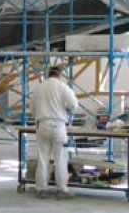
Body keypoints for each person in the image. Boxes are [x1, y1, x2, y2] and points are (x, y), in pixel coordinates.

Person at [30, 66, 78, 200]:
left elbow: (32, 110)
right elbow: (74, 105)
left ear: (48, 74)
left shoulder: (39, 88)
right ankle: (62, 189)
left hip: (42, 124)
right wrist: (64, 109)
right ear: (59, 75)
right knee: (60, 158)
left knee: (42, 158)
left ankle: (41, 189)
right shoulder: (63, 87)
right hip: (58, 126)